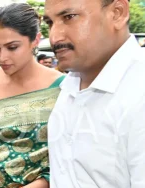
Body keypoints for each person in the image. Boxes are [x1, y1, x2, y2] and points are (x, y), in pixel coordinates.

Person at [44, 0, 145, 187]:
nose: (54, 37)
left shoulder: (139, 91)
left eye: (69, 17)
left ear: (117, 13)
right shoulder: (70, 86)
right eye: (50, 23)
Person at [0, 3, 64, 188]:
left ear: (35, 40)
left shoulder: (61, 87)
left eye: (12, 47)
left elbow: (64, 160)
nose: (2, 57)